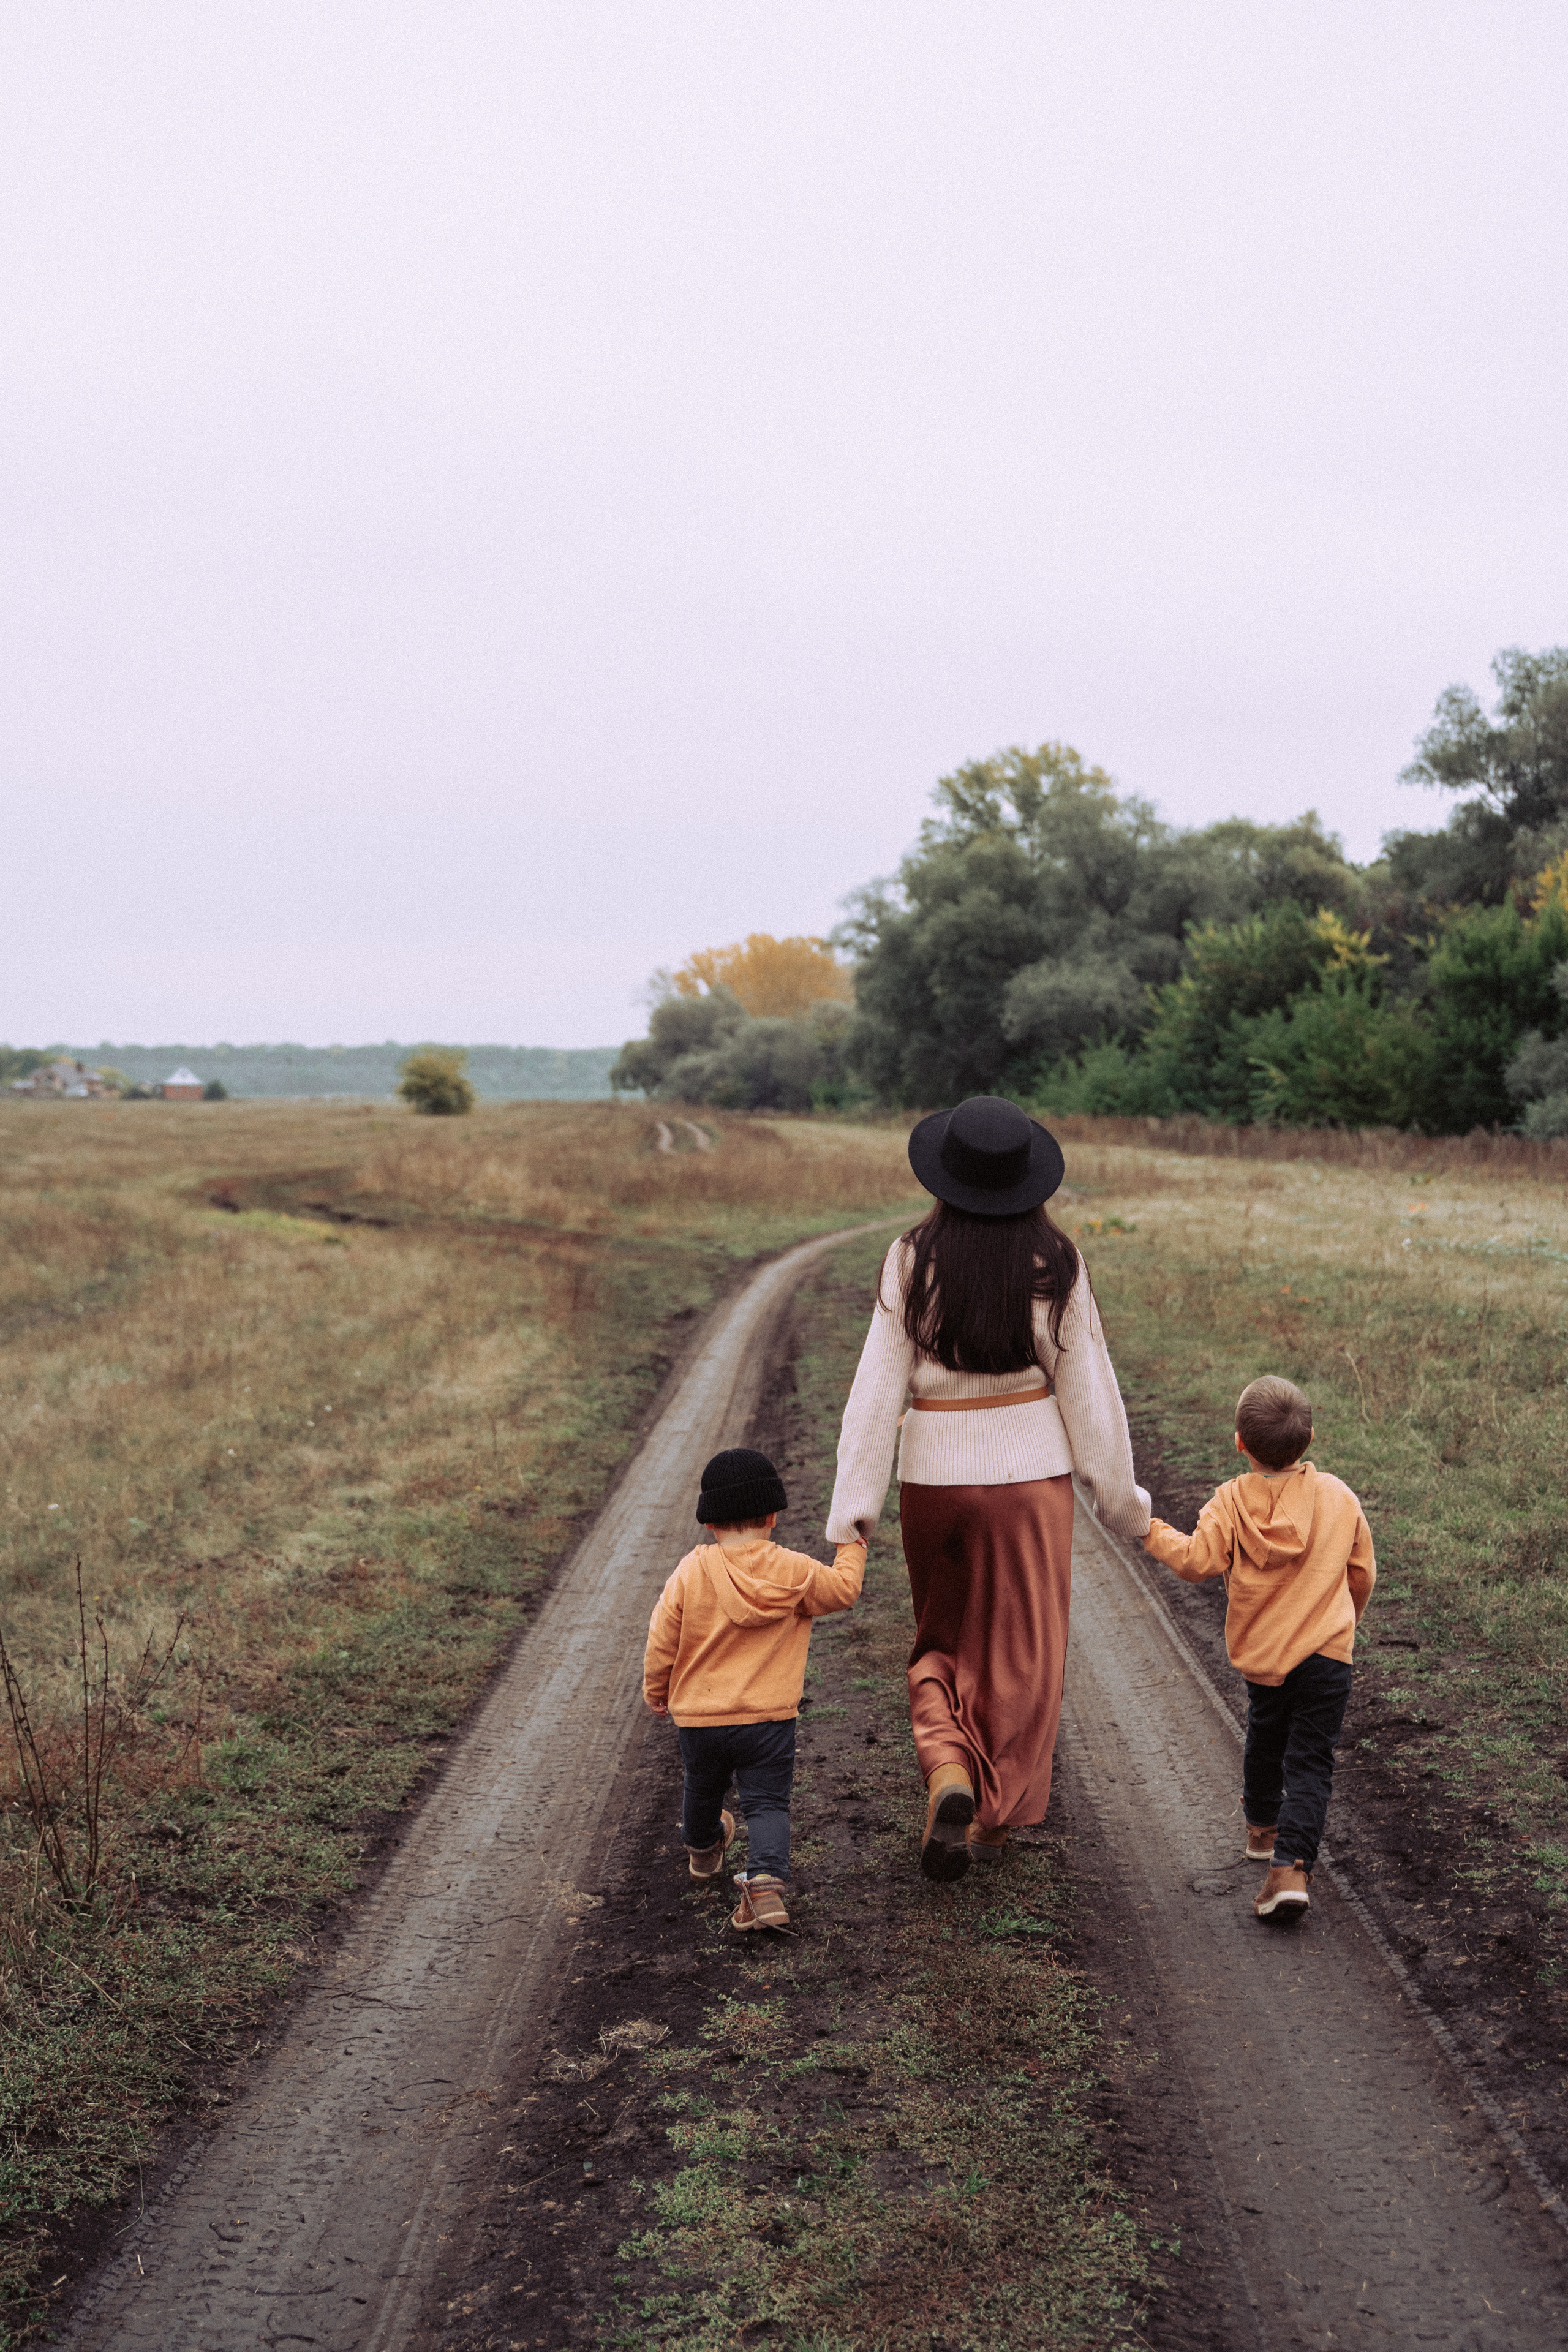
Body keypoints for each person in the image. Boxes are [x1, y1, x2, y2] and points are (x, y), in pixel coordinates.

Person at [826, 1096, 1149, 1882]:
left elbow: (876, 1388)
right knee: (1024, 1655)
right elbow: (1088, 1390)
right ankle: (993, 1817)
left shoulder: (910, 1258)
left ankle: (947, 1770)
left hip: (933, 1478)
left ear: (945, 1176)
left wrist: (853, 1510)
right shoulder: (1057, 1263)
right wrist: (1122, 1499)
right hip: (1030, 1484)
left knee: (941, 1639)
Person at [1142, 1374, 1376, 1920]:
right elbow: (1361, 1573)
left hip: (1267, 1660)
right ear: (1311, 1439)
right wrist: (1344, 1624)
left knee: (1266, 1737)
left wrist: (1149, 1528)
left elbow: (1198, 1562)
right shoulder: (1338, 1498)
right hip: (1328, 1656)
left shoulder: (1229, 1502)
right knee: (1311, 1761)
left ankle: (1265, 1834)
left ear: (1240, 1442)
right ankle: (1293, 1868)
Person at [643, 1445, 866, 1932]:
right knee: (766, 1803)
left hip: (701, 1720)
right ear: (772, 1515)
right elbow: (844, 1591)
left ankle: (703, 1852)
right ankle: (765, 1887)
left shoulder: (691, 1571)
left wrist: (656, 1689)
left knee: (703, 1788)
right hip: (768, 1720)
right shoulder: (797, 1571)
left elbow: (663, 1636)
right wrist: (852, 1544)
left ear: (709, 1523)